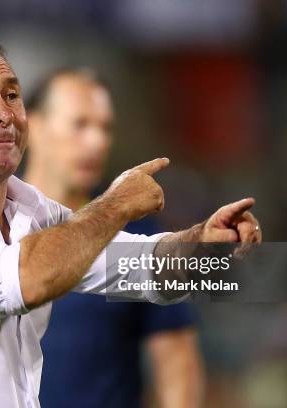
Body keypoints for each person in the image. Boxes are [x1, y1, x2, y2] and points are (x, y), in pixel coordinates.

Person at [0, 32, 262, 408]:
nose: (4, 112)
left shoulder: (30, 209)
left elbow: (142, 268)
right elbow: (22, 281)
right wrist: (114, 205)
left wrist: (202, 242)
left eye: (11, 95)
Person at [24, 68, 203, 408]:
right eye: (80, 125)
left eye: (105, 128)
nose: (97, 141)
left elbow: (176, 358)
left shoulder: (139, 234)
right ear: (34, 126)